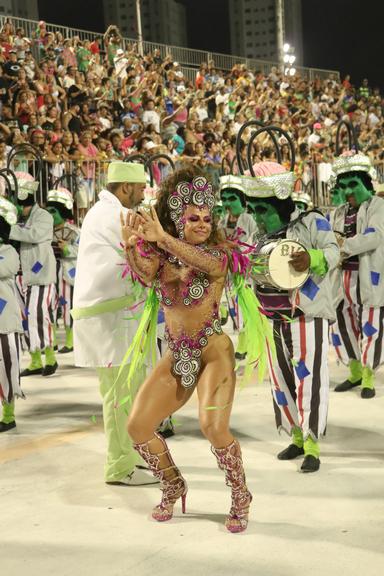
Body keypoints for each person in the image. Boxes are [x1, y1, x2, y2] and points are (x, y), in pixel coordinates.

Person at [121, 166, 269, 533]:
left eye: (207, 217)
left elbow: (212, 267)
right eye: (193, 218)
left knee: (212, 427)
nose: (202, 223)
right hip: (177, 353)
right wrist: (130, 247)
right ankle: (172, 483)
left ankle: (240, 494)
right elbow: (144, 272)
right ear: (178, 219)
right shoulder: (162, 254)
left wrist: (163, 239)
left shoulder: (219, 253)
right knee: (138, 425)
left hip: (213, 351)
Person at [244, 159, 339, 473]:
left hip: (306, 316)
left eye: (262, 210)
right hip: (272, 319)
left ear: (280, 204)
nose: (257, 217)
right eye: (254, 210)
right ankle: (296, 437)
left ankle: (312, 444)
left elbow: (332, 252)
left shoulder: (313, 222)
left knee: (309, 381)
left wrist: (310, 257)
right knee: (280, 382)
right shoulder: (257, 234)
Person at [72, 161, 158, 486]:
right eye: (139, 187)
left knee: (129, 391)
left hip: (117, 316)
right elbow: (144, 254)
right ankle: (120, 467)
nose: (142, 193)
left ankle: (131, 457)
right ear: (125, 188)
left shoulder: (106, 212)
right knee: (121, 395)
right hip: (110, 318)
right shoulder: (112, 216)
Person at [330, 151, 384, 399]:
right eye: (343, 186)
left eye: (353, 184)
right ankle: (354, 371)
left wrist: (342, 245)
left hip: (368, 279)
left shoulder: (379, 206)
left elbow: (373, 238)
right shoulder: (338, 212)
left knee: (370, 327)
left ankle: (368, 376)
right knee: (344, 326)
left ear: (366, 183)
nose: (348, 190)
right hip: (342, 281)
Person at [9, 172, 58, 377]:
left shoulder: (43, 216)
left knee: (38, 315)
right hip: (21, 276)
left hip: (41, 274)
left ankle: (50, 358)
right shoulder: (16, 217)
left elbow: (34, 235)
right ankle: (35, 359)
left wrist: (8, 230)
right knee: (24, 318)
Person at [46, 187, 79, 353]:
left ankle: (70, 340)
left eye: (54, 211)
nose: (50, 215)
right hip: (48, 273)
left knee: (67, 305)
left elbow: (82, 251)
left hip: (66, 273)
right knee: (49, 306)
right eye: (48, 211)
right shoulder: (43, 232)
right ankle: (51, 341)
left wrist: (67, 249)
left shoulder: (74, 232)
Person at [0, 196, 23, 432]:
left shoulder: (8, 251)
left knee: (7, 364)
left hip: (4, 319)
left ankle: (8, 411)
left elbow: (5, 268)